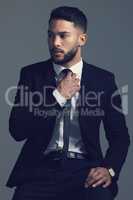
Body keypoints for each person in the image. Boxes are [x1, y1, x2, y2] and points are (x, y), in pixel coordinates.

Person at [7, 6, 130, 200]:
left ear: (82, 39)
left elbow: (120, 137)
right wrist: (58, 97)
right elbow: (17, 130)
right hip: (39, 171)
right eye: (51, 35)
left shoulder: (103, 80)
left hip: (85, 170)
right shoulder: (32, 75)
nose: (55, 42)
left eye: (63, 36)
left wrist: (110, 170)